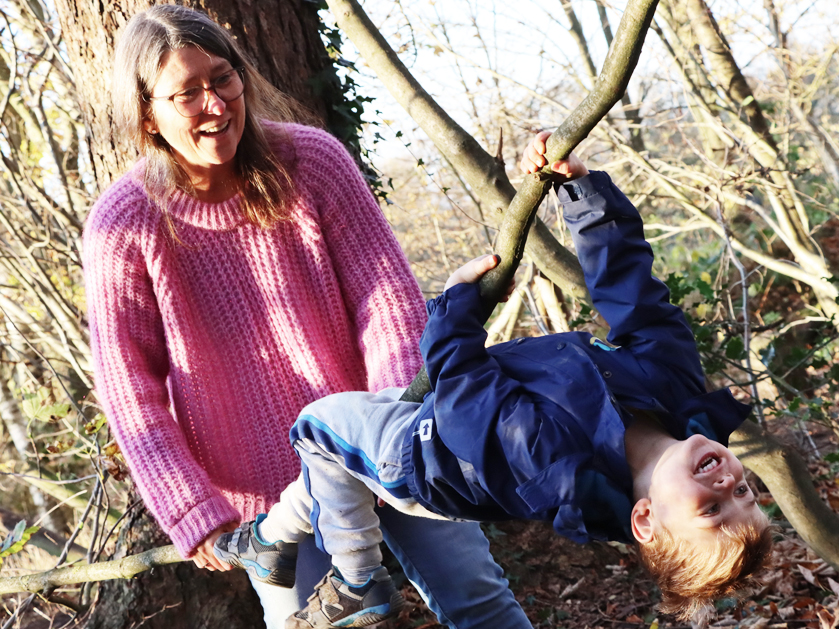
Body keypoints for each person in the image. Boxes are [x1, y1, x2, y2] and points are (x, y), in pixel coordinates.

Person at [82, 5, 534, 628]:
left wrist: (395, 421)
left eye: (223, 78)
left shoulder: (313, 163)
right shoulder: (124, 226)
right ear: (147, 113)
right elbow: (129, 393)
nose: (215, 104)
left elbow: (386, 302)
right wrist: (191, 508)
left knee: (479, 601)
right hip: (275, 502)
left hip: (379, 441)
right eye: (186, 93)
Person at [214, 140, 773, 628]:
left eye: (711, 510)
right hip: (447, 417)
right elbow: (639, 301)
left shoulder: (559, 469)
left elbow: (468, 397)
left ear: (646, 519)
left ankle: (358, 577)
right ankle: (270, 540)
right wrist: (582, 196)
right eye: (744, 493)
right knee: (333, 466)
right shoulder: (673, 390)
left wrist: (456, 310)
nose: (728, 485)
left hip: (423, 459)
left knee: (320, 428)